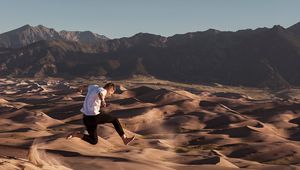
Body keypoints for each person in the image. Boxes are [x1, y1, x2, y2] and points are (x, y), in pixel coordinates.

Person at [67, 83, 135, 145]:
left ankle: (76, 135)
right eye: (111, 93)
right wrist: (102, 100)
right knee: (114, 120)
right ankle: (125, 139)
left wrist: (80, 88)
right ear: (110, 89)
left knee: (94, 141)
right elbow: (100, 93)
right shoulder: (103, 90)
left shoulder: (93, 86)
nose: (110, 95)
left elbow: (85, 86)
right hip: (94, 117)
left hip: (86, 118)